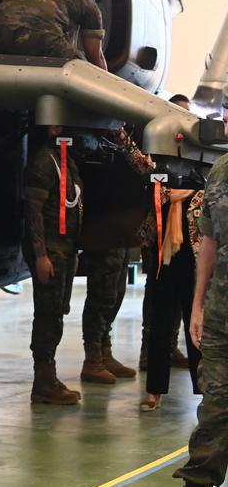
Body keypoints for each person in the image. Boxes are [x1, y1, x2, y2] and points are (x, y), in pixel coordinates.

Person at [174, 98, 228, 487]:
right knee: (215, 403)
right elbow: (208, 242)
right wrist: (197, 304)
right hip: (221, 313)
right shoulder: (222, 171)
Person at [79, 127, 154, 385]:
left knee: (117, 293)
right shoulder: (93, 145)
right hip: (102, 233)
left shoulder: (124, 147)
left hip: (121, 233)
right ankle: (93, 359)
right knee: (101, 296)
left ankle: (104, 351)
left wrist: (124, 141)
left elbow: (146, 168)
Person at [23, 124, 84, 404]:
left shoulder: (65, 160)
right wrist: (40, 255)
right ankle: (44, 381)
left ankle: (48, 378)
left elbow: (74, 204)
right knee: (48, 316)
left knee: (57, 313)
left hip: (65, 251)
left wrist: (73, 254)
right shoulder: (43, 161)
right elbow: (33, 210)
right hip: (50, 251)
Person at [140, 94, 194, 371]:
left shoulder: (194, 159)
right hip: (158, 244)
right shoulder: (155, 155)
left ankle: (171, 347)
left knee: (181, 305)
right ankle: (149, 354)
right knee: (157, 304)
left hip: (185, 247)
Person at [139, 185, 203, 411]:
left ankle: (204, 389)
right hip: (164, 264)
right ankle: (154, 390)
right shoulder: (159, 189)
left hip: (194, 265)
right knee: (159, 326)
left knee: (196, 328)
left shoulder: (203, 190)